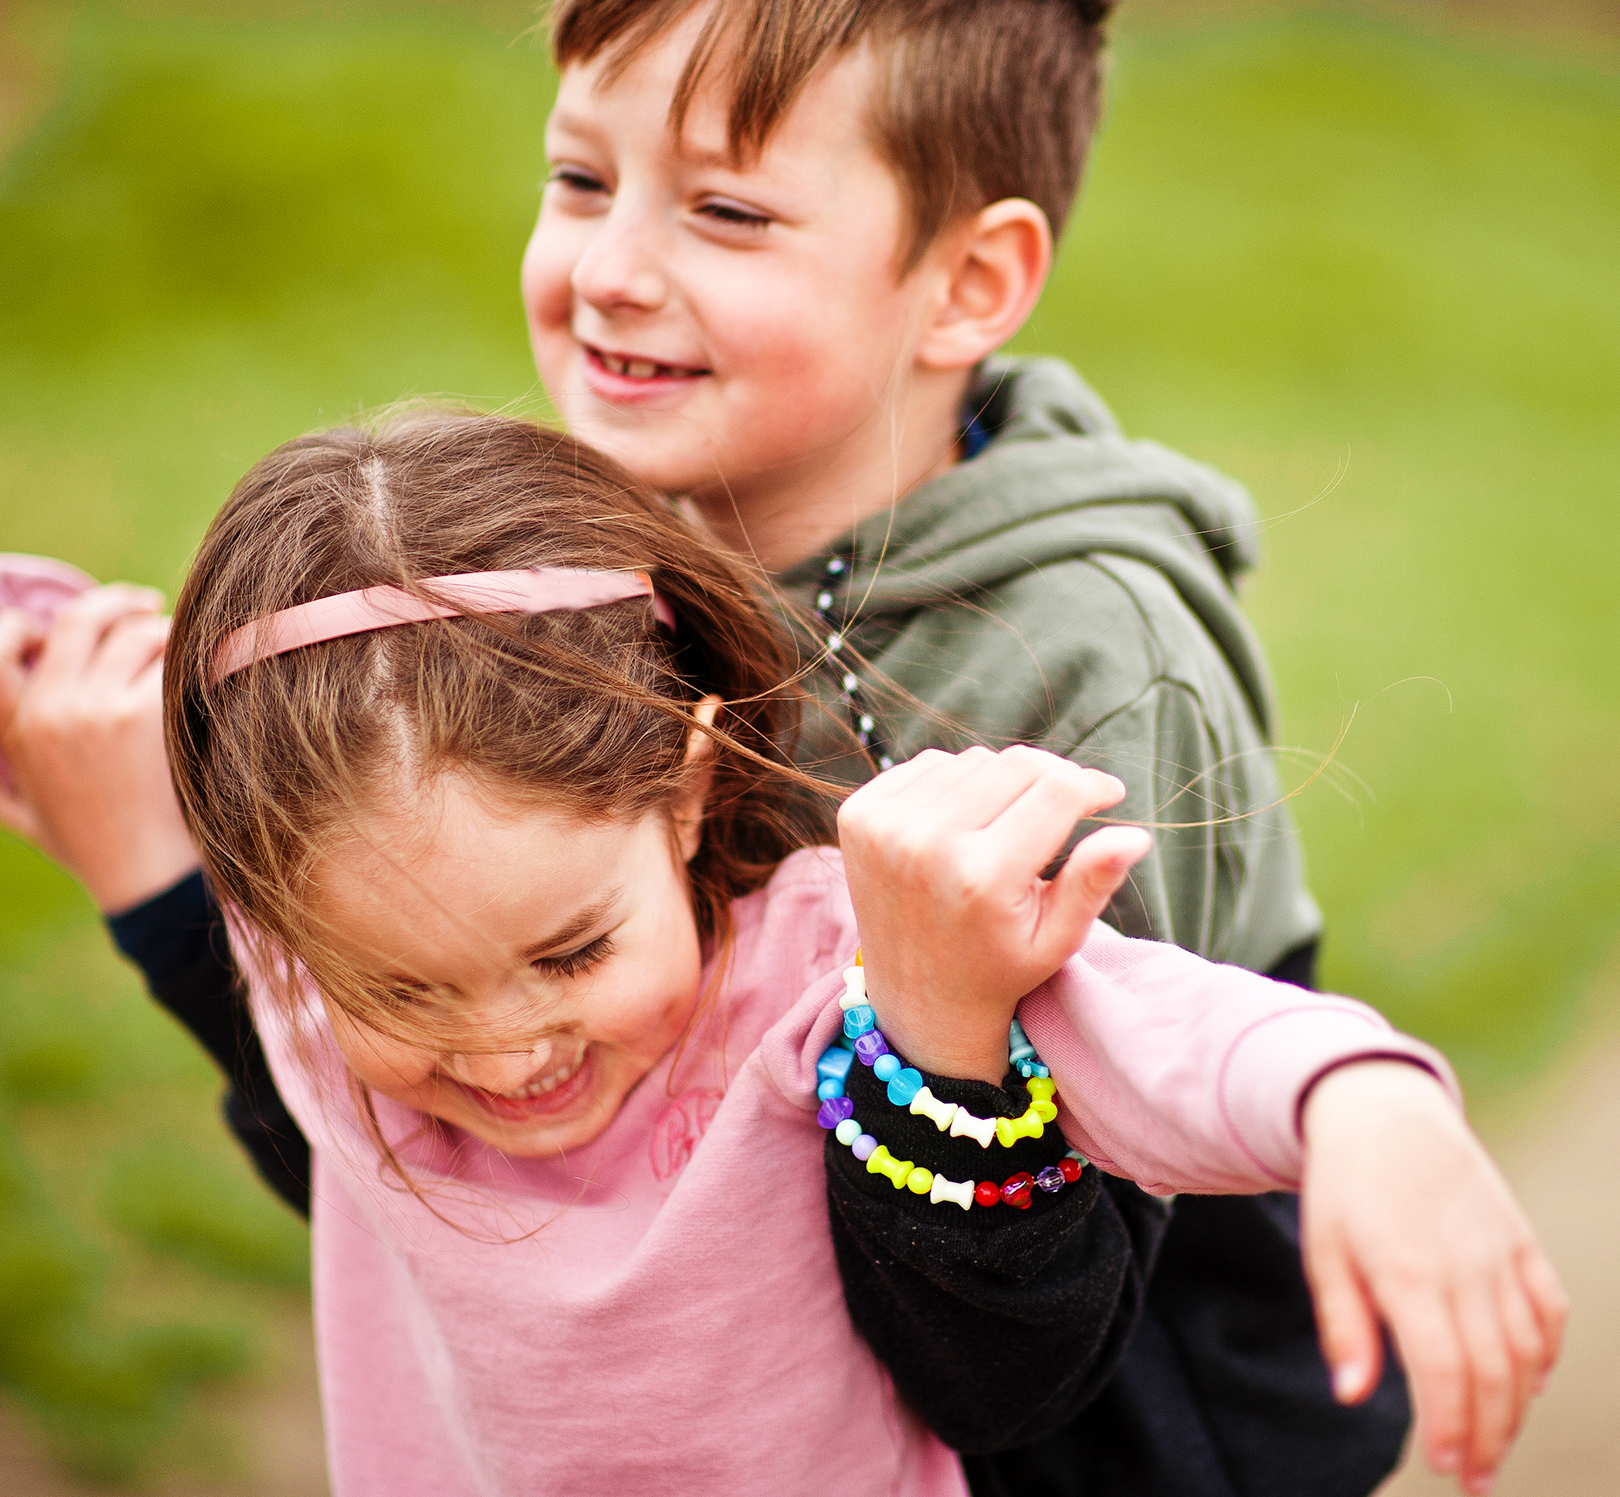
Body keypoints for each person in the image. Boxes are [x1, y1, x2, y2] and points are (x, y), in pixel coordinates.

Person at [0, 0, 1568, 1492]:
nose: (613, 269)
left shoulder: (1080, 668)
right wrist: (163, 872)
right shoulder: (586, 577)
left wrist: (1339, 1095)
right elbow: (496, 1221)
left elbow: (1016, 1353)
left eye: (728, 213)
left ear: (969, 281)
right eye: (580, 178)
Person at [141, 409, 1546, 1496]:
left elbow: (1162, 1028)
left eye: (570, 955)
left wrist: (1357, 1097)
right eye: (406, 991)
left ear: (687, 786)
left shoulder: (835, 966)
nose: (507, 1053)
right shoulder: (311, 955)